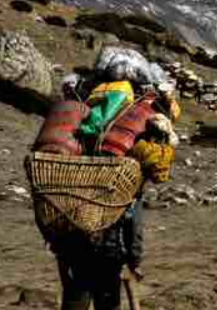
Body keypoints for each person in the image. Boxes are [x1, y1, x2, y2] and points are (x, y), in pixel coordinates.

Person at [39, 51, 181, 310]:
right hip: (109, 244)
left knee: (75, 297)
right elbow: (133, 220)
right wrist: (135, 260)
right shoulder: (128, 164)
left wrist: (55, 240)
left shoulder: (76, 148)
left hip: (70, 238)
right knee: (108, 300)